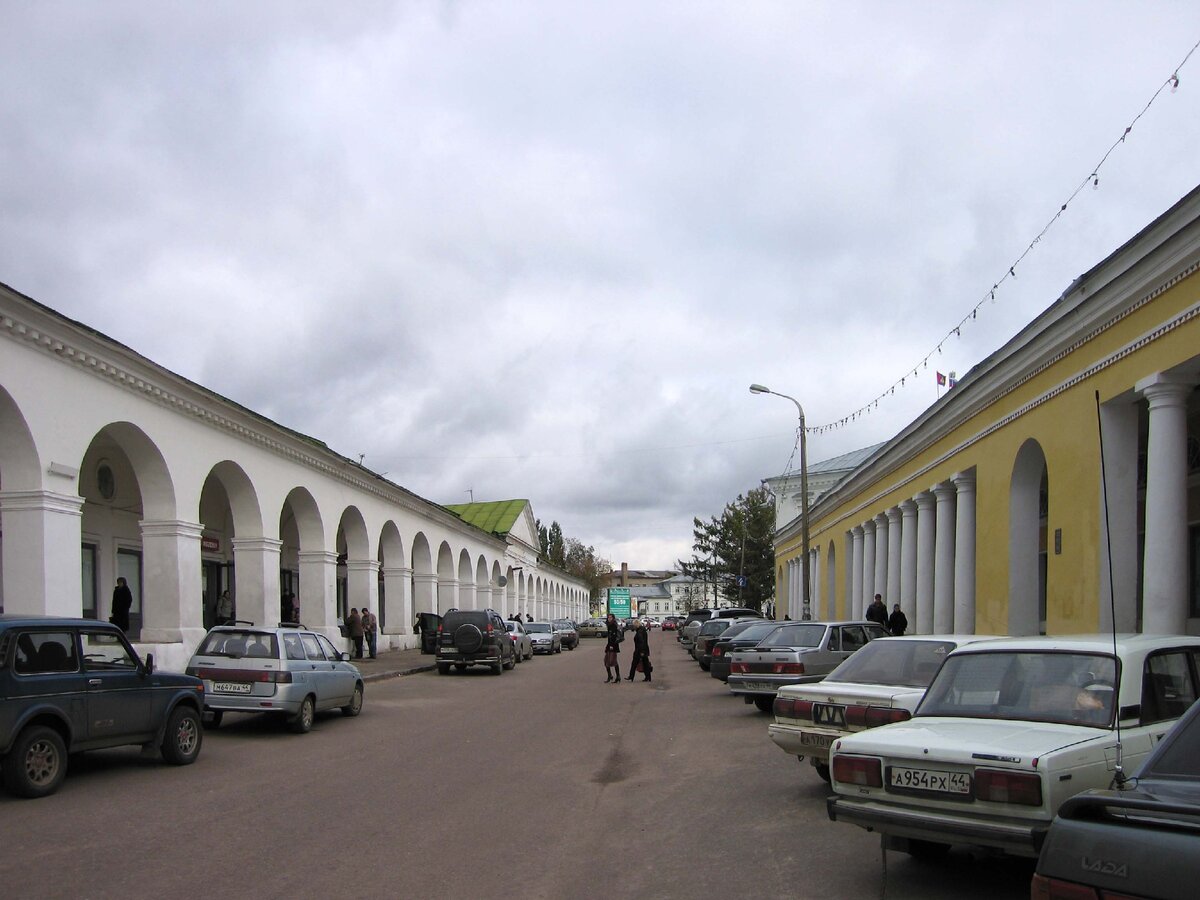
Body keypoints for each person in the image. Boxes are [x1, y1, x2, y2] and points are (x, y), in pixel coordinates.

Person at [603, 613, 622, 684]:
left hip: (613, 645)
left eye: (610, 617)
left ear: (613, 618)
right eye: (608, 617)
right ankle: (610, 675)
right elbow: (609, 637)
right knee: (606, 661)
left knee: (612, 661)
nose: (609, 618)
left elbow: (613, 636)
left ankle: (617, 676)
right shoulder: (609, 625)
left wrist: (611, 645)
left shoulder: (613, 625)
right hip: (609, 645)